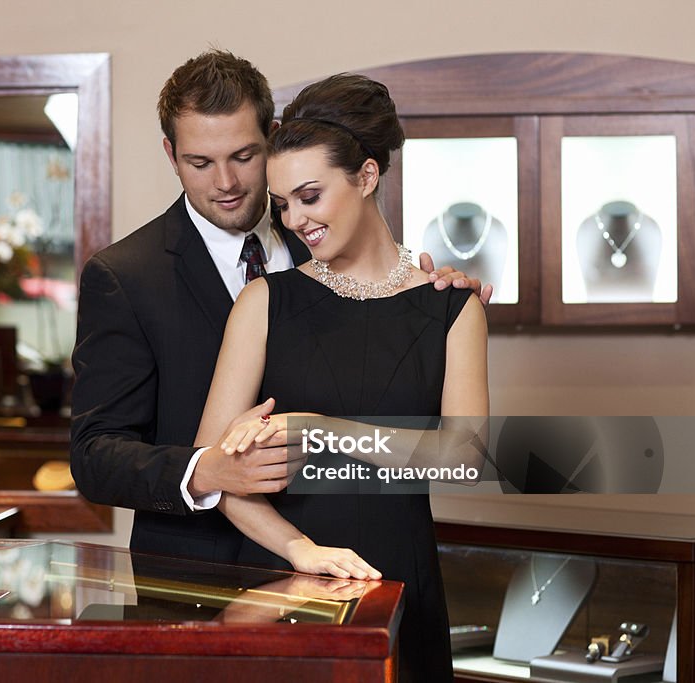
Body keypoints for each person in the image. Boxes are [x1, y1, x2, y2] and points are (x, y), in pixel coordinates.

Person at [70, 50, 487, 566]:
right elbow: (93, 455)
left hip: (371, 551)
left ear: (271, 135)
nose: (225, 182)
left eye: (244, 156)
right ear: (171, 154)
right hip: (194, 573)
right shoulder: (126, 276)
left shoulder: (319, 237)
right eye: (200, 163)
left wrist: (437, 302)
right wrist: (209, 470)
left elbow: (460, 449)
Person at [193, 73, 490, 681]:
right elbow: (214, 466)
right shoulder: (263, 302)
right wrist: (301, 551)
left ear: (367, 176)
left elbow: (465, 458)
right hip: (281, 583)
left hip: (400, 582)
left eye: (309, 195)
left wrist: (318, 430)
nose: (295, 219)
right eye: (282, 205)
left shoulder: (452, 307)